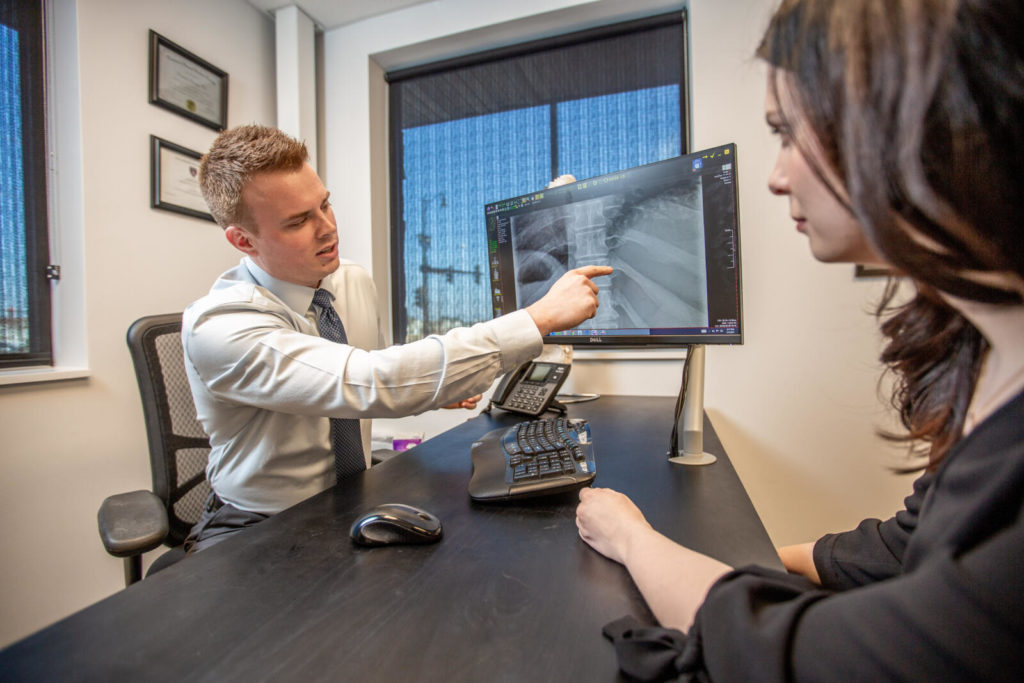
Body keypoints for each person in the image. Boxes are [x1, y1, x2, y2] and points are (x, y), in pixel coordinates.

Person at [575, 0, 1024, 678]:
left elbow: (794, 659)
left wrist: (633, 539)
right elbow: (910, 543)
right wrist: (750, 560)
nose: (775, 175)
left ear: (899, 119)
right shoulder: (987, 358)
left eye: (787, 133)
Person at [183, 124, 612, 552]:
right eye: (298, 221)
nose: (327, 228)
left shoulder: (349, 280)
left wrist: (435, 389)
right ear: (243, 240)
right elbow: (369, 380)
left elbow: (372, 367)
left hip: (351, 496)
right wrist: (538, 317)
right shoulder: (219, 325)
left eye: (325, 205)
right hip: (258, 523)